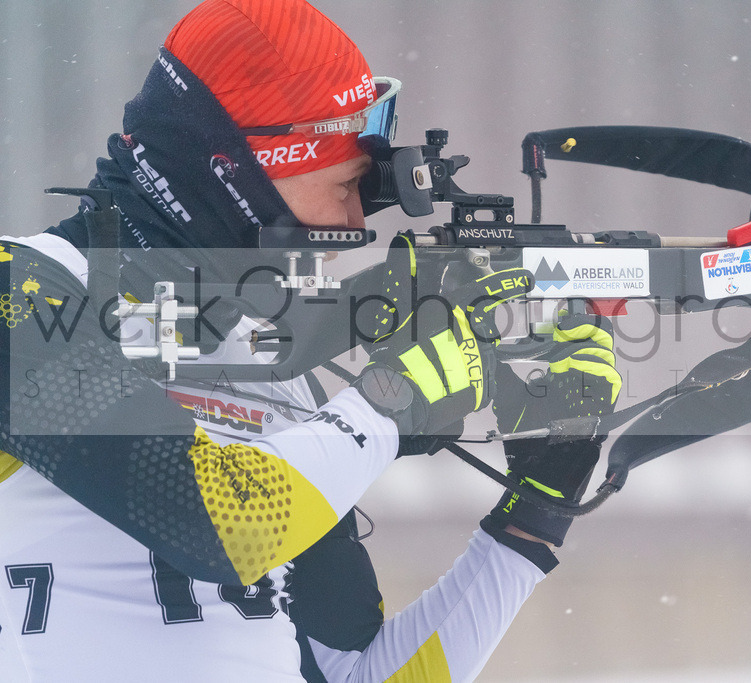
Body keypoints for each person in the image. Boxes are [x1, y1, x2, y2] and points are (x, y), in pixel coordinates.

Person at [0, 1, 620, 681]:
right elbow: (221, 522)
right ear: (236, 177)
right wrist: (394, 399)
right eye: (346, 187)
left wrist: (531, 519)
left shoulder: (270, 367)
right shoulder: (21, 289)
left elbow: (353, 675)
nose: (357, 220)